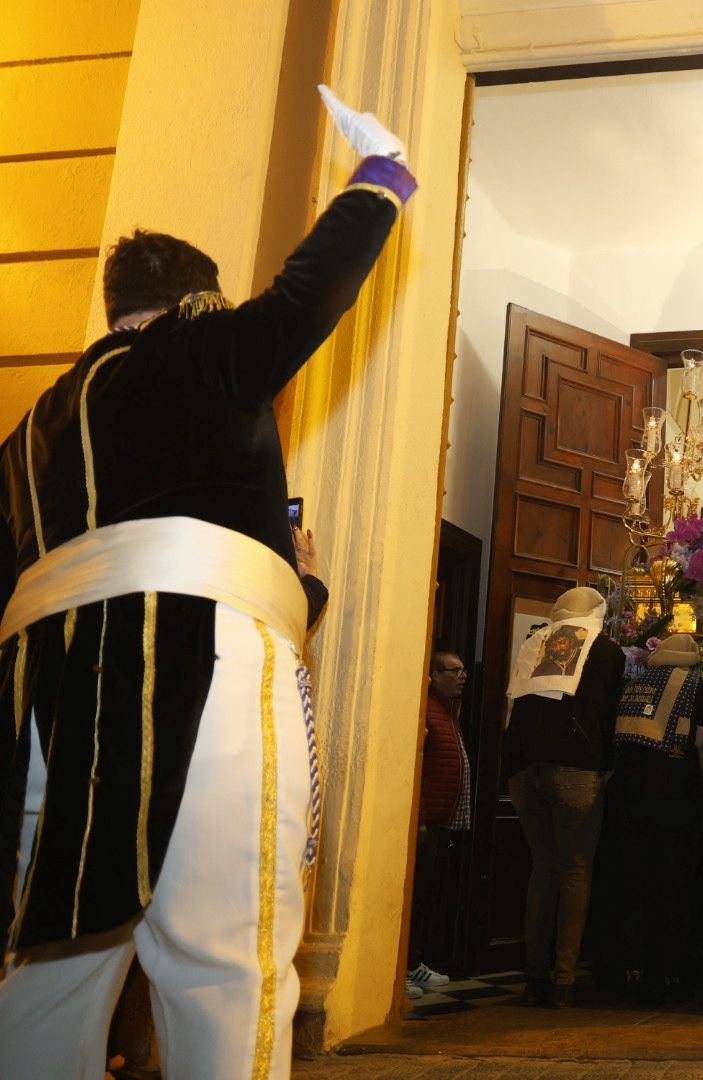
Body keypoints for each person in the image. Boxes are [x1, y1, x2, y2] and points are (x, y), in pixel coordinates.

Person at [0, 85, 414, 1079]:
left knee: (50, 971)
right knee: (224, 961)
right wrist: (383, 175)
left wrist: (289, 592)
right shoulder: (200, 349)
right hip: (195, 665)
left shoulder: (32, 428)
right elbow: (309, 294)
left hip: (42, 702)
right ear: (201, 300)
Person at [504, 586, 624, 1008]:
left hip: (523, 769)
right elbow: (608, 714)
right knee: (575, 870)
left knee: (543, 868)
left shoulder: (535, 641)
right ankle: (565, 981)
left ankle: (533, 977)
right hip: (577, 768)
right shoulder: (606, 650)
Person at [608, 633, 703, 1005]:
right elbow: (700, 744)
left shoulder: (635, 684)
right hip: (675, 801)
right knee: (675, 888)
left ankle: (632, 968)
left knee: (632, 886)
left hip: (627, 799)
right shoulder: (697, 687)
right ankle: (674, 972)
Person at [403, 651, 472, 999]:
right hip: (428, 821)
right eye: (453, 670)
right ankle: (402, 969)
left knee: (427, 896)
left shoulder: (448, 710)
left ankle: (413, 963)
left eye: (463, 670)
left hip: (441, 820)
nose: (462, 676)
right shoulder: (427, 708)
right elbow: (420, 766)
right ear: (433, 674)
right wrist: (422, 817)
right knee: (413, 897)